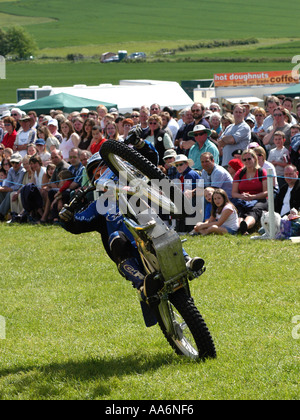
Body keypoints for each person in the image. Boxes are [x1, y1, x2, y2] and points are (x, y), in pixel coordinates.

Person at [232, 149, 268, 235]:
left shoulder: (261, 172)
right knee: (239, 210)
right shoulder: (239, 173)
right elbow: (234, 193)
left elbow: (266, 192)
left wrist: (253, 197)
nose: (247, 161)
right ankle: (240, 227)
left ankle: (245, 225)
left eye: (249, 159)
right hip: (242, 199)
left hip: (259, 200)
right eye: (244, 159)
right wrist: (242, 196)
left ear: (254, 158)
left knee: (255, 210)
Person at [171, 154, 201, 233]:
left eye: (181, 164)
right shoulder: (180, 174)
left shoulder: (189, 174)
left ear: (187, 164)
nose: (178, 167)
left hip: (195, 199)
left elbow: (187, 192)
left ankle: (185, 229)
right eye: (176, 165)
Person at [0, 153, 26, 221]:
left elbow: (17, 186)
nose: (14, 164)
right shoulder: (11, 170)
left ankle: (1, 213)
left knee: (9, 194)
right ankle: (3, 214)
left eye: (16, 162)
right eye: (12, 162)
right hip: (12, 190)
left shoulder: (22, 171)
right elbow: (7, 184)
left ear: (20, 163)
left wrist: (4, 189)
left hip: (19, 191)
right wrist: (2, 189)